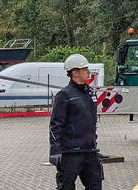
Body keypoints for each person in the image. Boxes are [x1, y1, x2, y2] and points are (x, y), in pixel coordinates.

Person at [49, 54, 103, 189]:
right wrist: (55, 151)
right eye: (85, 69)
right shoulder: (64, 95)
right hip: (70, 153)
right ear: (75, 72)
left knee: (95, 185)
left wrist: (93, 143)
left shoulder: (90, 93)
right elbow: (55, 125)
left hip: (90, 151)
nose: (88, 72)